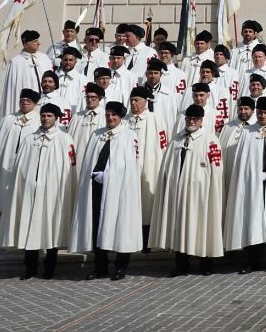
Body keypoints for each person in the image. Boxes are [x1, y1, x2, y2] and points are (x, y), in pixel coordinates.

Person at [0, 102, 77, 280]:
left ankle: (50, 268)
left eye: (49, 116)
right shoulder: (29, 139)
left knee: (51, 227)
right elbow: (20, 166)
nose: (45, 119)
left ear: (56, 118)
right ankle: (30, 268)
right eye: (43, 115)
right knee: (28, 227)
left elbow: (69, 169)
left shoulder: (64, 139)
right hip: (29, 190)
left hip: (52, 192)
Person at [149, 104, 224, 277]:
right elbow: (167, 165)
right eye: (189, 118)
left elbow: (217, 169)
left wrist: (209, 188)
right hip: (177, 192)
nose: (191, 121)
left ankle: (206, 263)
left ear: (201, 121)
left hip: (200, 193)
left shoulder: (210, 140)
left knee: (202, 225)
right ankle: (181, 264)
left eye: (195, 119)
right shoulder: (176, 140)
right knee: (178, 227)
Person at [69, 101, 142, 280]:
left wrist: (111, 175)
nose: (110, 117)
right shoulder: (97, 135)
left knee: (121, 225)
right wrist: (94, 175)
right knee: (96, 225)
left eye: (114, 115)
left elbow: (130, 165)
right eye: (108, 114)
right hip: (96, 188)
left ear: (120, 116)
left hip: (120, 190)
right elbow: (89, 161)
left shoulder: (129, 136)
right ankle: (100, 266)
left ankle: (121, 266)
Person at [224, 96, 266, 274]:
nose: (262, 116)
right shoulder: (247, 132)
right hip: (252, 182)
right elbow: (241, 161)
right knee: (252, 218)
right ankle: (252, 261)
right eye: (260, 112)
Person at [0, 89, 41, 215]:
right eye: (22, 100)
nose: (24, 103)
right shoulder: (8, 120)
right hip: (7, 160)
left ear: (35, 103)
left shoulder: (39, 121)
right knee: (5, 190)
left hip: (28, 162)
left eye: (28, 101)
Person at [125, 87, 167, 247]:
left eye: (137, 100)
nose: (133, 103)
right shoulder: (125, 120)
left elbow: (163, 144)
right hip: (128, 166)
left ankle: (147, 239)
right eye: (132, 100)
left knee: (147, 202)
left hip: (150, 164)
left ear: (145, 102)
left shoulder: (155, 119)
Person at [0, 30, 53, 117]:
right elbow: (13, 90)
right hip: (26, 106)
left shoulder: (44, 58)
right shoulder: (16, 62)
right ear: (26, 44)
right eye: (35, 41)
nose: (39, 43)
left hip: (45, 104)